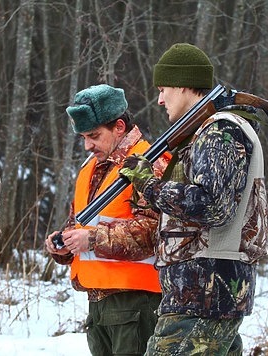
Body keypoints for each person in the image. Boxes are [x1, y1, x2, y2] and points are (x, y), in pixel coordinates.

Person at [120, 43, 268, 355]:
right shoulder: (211, 131)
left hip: (203, 294)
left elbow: (211, 205)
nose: (159, 99)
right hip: (204, 292)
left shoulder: (219, 131)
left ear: (183, 85)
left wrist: (149, 185)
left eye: (164, 89)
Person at [45, 84, 170, 356]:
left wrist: (92, 240)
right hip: (98, 304)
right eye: (83, 138)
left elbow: (156, 230)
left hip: (137, 302)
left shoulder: (149, 162)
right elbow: (79, 225)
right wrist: (65, 244)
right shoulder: (91, 167)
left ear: (119, 127)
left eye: (94, 135)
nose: (88, 145)